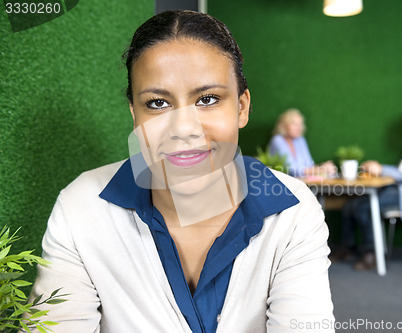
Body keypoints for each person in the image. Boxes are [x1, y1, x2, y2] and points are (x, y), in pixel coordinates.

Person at [29, 10, 335, 333]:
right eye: (158, 104)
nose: (184, 129)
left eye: (207, 99)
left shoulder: (294, 212)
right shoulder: (80, 208)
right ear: (134, 114)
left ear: (241, 108)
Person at [332, 105, 402, 270]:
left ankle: (371, 254)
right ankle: (347, 247)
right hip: (399, 191)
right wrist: (379, 169)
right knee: (350, 204)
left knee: (363, 206)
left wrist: (381, 169)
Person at [269, 108, 335, 177]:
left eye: (300, 124)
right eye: (294, 123)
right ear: (284, 125)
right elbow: (292, 170)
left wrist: (323, 167)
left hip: (302, 183)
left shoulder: (300, 140)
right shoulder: (277, 140)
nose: (299, 127)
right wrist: (321, 170)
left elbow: (309, 165)